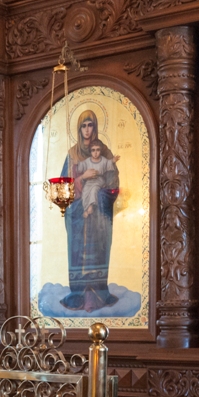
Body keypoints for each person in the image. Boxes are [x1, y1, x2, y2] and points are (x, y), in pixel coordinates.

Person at [61, 111, 119, 311]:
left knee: (99, 250)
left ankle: (99, 293)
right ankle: (77, 295)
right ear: (79, 129)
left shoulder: (105, 152)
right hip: (78, 214)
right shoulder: (72, 155)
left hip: (99, 216)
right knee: (78, 251)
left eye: (90, 125)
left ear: (95, 127)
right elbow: (64, 188)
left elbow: (113, 183)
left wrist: (101, 191)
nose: (87, 130)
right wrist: (82, 178)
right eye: (83, 126)